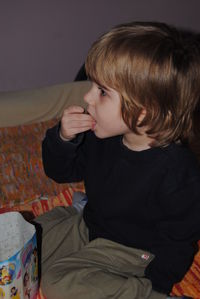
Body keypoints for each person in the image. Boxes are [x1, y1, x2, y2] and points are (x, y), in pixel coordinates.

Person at [35, 21, 200, 299]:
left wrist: (155, 285)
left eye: (102, 92)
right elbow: (59, 171)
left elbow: (179, 240)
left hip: (133, 251)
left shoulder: (177, 172)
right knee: (27, 239)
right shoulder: (103, 135)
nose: (87, 96)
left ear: (143, 113)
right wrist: (63, 139)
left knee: (56, 283)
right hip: (90, 224)